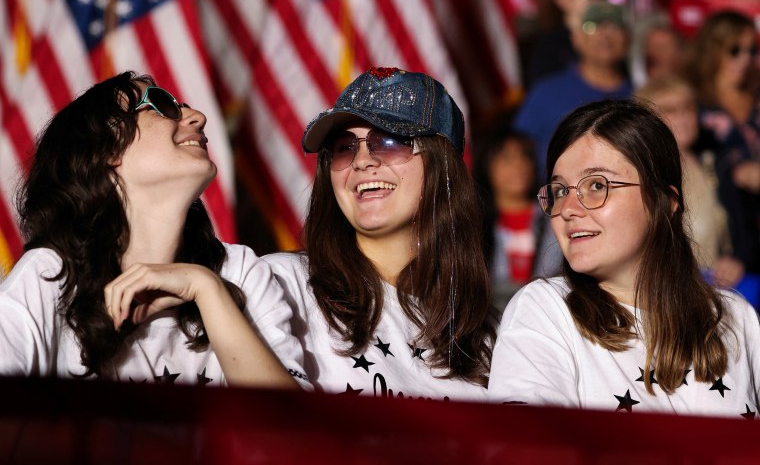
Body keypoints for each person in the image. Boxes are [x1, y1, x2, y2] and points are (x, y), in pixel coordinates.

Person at [0, 71, 307, 388]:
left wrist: (206, 288)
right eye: (161, 105)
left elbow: (294, 431)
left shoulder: (239, 270)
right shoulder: (50, 276)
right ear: (107, 149)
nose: (198, 118)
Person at [488, 100, 760, 417]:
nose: (569, 209)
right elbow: (526, 447)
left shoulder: (734, 317)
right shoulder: (545, 310)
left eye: (596, 185)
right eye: (560, 190)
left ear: (665, 201)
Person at [265, 67, 496, 400]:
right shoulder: (280, 282)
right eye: (344, 147)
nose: (361, 161)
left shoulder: (488, 332)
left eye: (388, 141)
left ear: (442, 165)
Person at [636, 76, 744, 289]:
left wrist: (736, 260)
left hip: (714, 287)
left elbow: (740, 231)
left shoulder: (715, 166)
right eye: (670, 110)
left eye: (688, 108)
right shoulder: (639, 173)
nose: (683, 117)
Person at [515, 0, 633, 178]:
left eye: (615, 26)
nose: (605, 35)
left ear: (628, 39)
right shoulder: (546, 92)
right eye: (593, 26)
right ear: (576, 39)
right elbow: (517, 150)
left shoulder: (642, 95)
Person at [686, 10, 760, 274]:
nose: (745, 59)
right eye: (734, 50)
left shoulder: (756, 103)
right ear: (713, 50)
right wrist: (734, 171)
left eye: (751, 51)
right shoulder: (695, 107)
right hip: (725, 241)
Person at [473, 127, 562, 312]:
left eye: (525, 156)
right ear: (487, 165)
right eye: (507, 158)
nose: (519, 165)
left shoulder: (556, 218)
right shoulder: (473, 225)